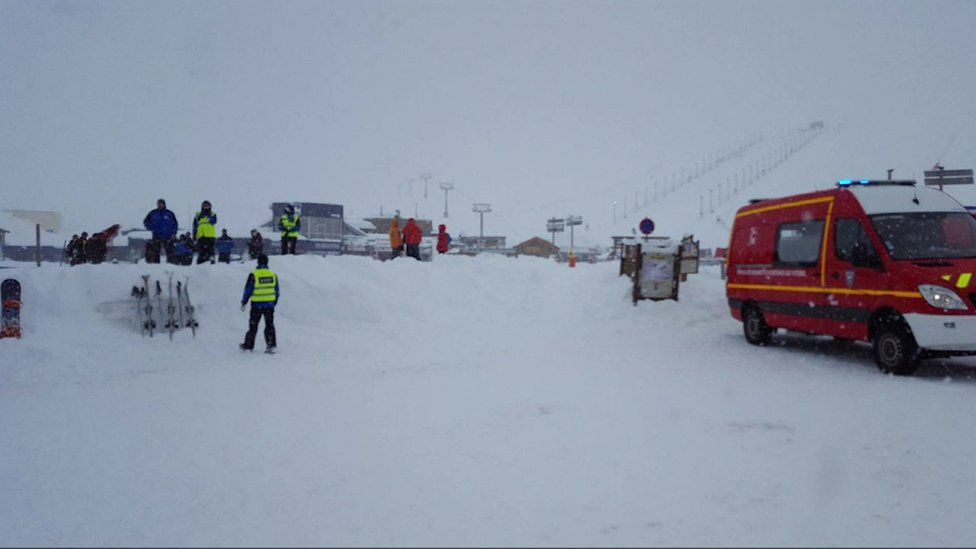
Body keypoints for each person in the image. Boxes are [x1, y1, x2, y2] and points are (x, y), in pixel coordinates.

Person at [240, 254, 278, 353]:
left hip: (256, 305)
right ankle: (271, 346)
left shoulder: (254, 275)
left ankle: (248, 345)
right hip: (269, 305)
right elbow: (277, 291)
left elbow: (248, 290)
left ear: (258, 262)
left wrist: (244, 302)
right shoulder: (273, 275)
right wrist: (273, 302)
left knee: (253, 326)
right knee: (269, 325)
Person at [143, 199, 178, 263]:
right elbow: (146, 221)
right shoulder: (153, 213)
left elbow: (175, 224)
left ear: (164, 204)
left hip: (168, 236)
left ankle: (171, 266)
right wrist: (151, 228)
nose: (160, 205)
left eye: (161, 204)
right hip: (156, 235)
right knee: (155, 252)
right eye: (159, 204)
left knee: (170, 252)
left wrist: (173, 233)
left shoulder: (169, 213)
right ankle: (156, 267)